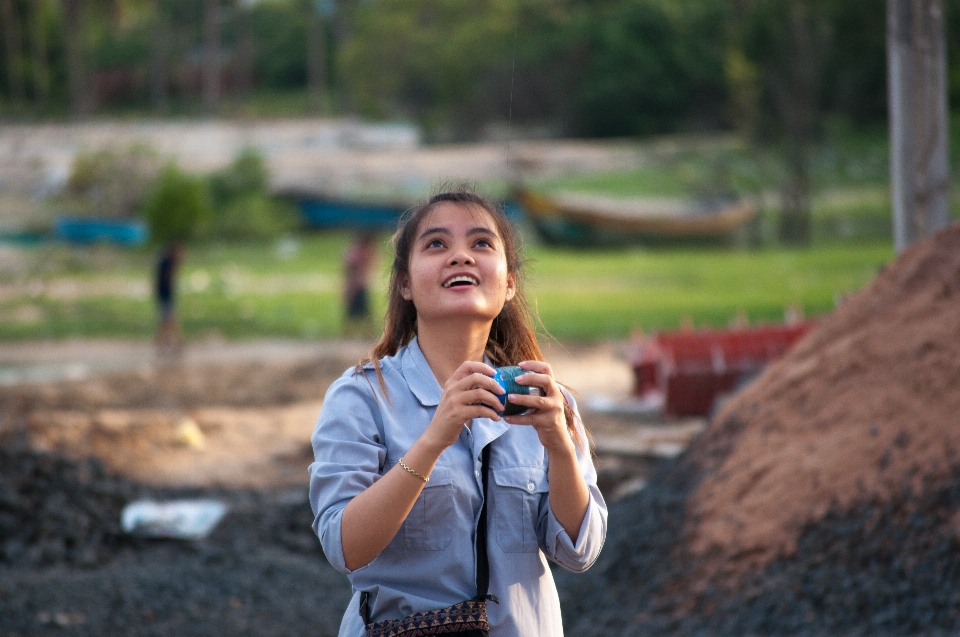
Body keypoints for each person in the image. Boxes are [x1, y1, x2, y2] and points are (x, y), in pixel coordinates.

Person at [309, 189, 607, 636]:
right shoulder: (361, 398)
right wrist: (433, 439)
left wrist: (560, 445)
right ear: (405, 284)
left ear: (509, 284)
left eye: (482, 244)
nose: (461, 257)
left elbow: (580, 551)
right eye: (436, 244)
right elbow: (344, 545)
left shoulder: (546, 400)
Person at [342, 231, 380, 336]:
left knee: (360, 311)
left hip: (359, 284)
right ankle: (352, 333)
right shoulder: (358, 252)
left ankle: (365, 333)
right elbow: (351, 268)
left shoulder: (360, 251)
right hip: (356, 284)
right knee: (357, 311)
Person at [154, 241, 184, 356]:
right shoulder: (168, 264)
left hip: (166, 297)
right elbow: (166, 280)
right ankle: (173, 345)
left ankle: (167, 344)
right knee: (170, 322)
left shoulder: (166, 263)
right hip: (165, 297)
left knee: (167, 322)